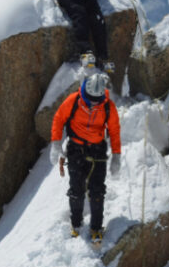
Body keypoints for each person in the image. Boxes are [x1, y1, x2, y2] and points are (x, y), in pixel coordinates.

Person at [50, 73, 121, 243]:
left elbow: (114, 131)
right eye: (91, 99)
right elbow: (59, 119)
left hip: (97, 150)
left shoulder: (108, 107)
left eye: (97, 99)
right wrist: (56, 144)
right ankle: (76, 224)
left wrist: (116, 156)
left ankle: (96, 228)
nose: (94, 103)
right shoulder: (74, 101)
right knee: (76, 189)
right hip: (76, 149)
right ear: (84, 93)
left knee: (97, 191)